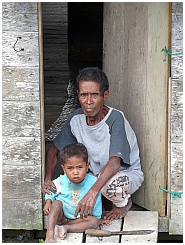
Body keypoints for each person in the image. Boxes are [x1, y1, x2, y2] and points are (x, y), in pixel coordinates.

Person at [42, 67, 144, 221]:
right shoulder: (75, 119)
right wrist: (48, 179)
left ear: (105, 95)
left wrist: (92, 191)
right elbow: (53, 151)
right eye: (84, 95)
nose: (88, 101)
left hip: (125, 175)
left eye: (94, 95)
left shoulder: (115, 119)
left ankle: (123, 203)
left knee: (107, 185)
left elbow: (115, 162)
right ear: (78, 95)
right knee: (75, 182)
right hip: (95, 178)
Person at [43, 142, 110, 242]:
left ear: (87, 166)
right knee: (56, 203)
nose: (75, 172)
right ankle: (50, 232)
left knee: (94, 222)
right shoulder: (60, 181)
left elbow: (97, 201)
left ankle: (67, 228)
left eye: (80, 167)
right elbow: (50, 191)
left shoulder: (93, 182)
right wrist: (48, 201)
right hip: (62, 217)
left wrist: (98, 218)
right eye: (70, 168)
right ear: (63, 169)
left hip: (81, 218)